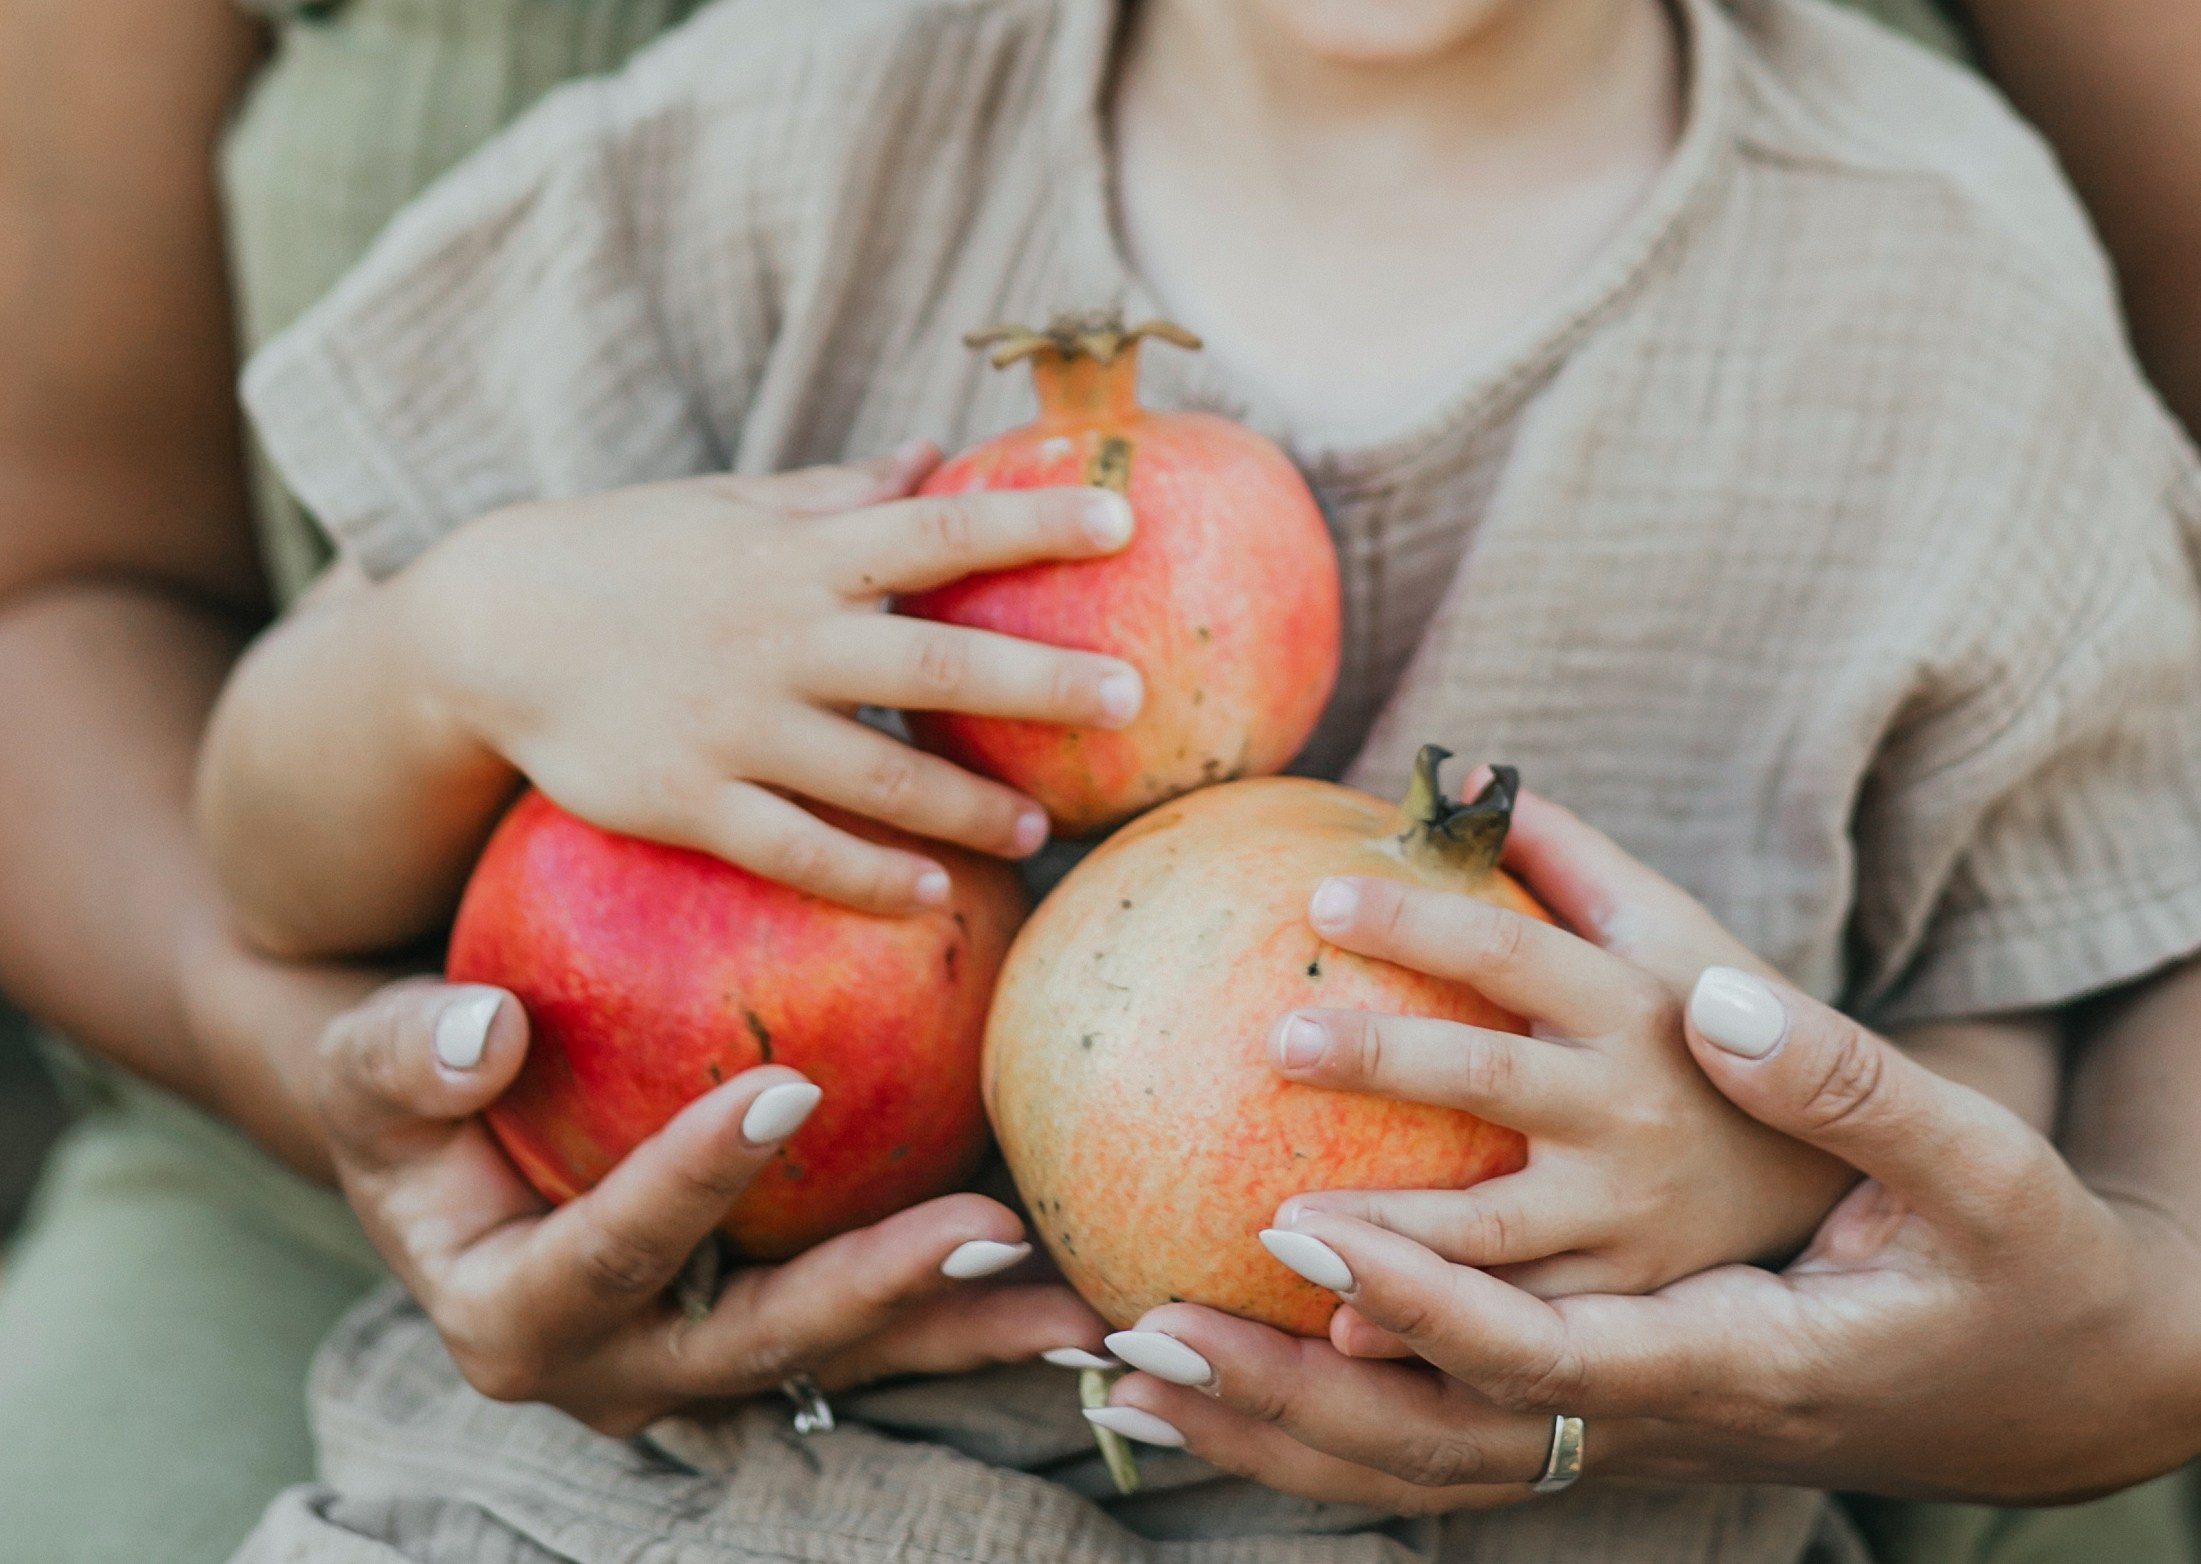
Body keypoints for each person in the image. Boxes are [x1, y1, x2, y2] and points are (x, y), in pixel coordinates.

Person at [0, 1, 2196, 1562]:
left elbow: (2016, 1018)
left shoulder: (1947, 301)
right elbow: (258, 840)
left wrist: (1766, 1187)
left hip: (1530, 1517)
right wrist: (456, 636)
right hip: (682, 1492)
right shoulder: (777, 140)